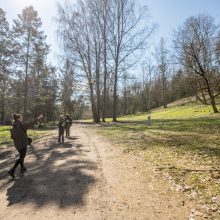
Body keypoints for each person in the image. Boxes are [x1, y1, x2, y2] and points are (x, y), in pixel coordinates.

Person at [8, 113, 43, 178]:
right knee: (22, 157)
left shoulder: (13, 126)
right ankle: (12, 170)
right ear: (18, 118)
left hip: (17, 145)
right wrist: (38, 118)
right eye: (21, 118)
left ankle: (22, 168)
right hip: (22, 144)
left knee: (22, 156)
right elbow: (31, 123)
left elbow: (12, 137)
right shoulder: (21, 124)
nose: (22, 119)